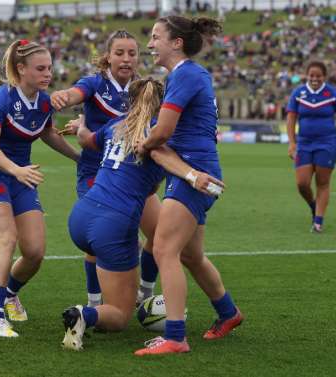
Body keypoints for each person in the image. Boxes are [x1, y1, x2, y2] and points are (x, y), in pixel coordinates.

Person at [61, 78, 225, 351]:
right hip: (113, 224)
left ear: (129, 102)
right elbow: (162, 157)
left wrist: (81, 126)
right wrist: (192, 174)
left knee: (149, 236)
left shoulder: (115, 125)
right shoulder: (158, 134)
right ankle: (85, 313)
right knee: (119, 316)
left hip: (81, 215)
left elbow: (87, 140)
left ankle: (105, 300)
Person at [133, 16, 244, 356]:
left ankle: (176, 337)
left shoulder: (185, 74)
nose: (150, 44)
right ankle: (228, 313)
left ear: (176, 43)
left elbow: (163, 131)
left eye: (155, 37)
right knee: (191, 255)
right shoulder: (187, 75)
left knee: (165, 249)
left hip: (192, 173)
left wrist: (144, 143)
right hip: (192, 169)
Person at [0, 39, 80, 337]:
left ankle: (9, 294)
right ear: (21, 69)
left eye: (50, 68)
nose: (48, 74)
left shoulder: (44, 102)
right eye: (41, 69)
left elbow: (46, 133)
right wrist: (16, 170)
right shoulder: (0, 99)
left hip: (21, 177)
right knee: (6, 239)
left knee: (34, 251)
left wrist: (78, 158)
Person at [51, 30, 160, 307]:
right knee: (96, 242)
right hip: (96, 174)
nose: (126, 59)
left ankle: (145, 295)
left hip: (133, 174)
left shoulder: (142, 89)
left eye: (132, 53)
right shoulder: (95, 83)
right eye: (119, 53)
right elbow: (77, 93)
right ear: (108, 57)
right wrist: (65, 96)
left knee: (160, 235)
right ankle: (94, 302)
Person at [286, 61, 336, 233]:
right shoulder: (298, 93)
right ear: (307, 75)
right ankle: (313, 205)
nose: (314, 79)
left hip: (327, 143)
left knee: (322, 182)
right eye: (311, 75)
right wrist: (292, 142)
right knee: (302, 183)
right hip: (304, 143)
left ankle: (318, 221)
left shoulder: (333, 94)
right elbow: (291, 119)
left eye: (318, 76)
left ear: (324, 77)